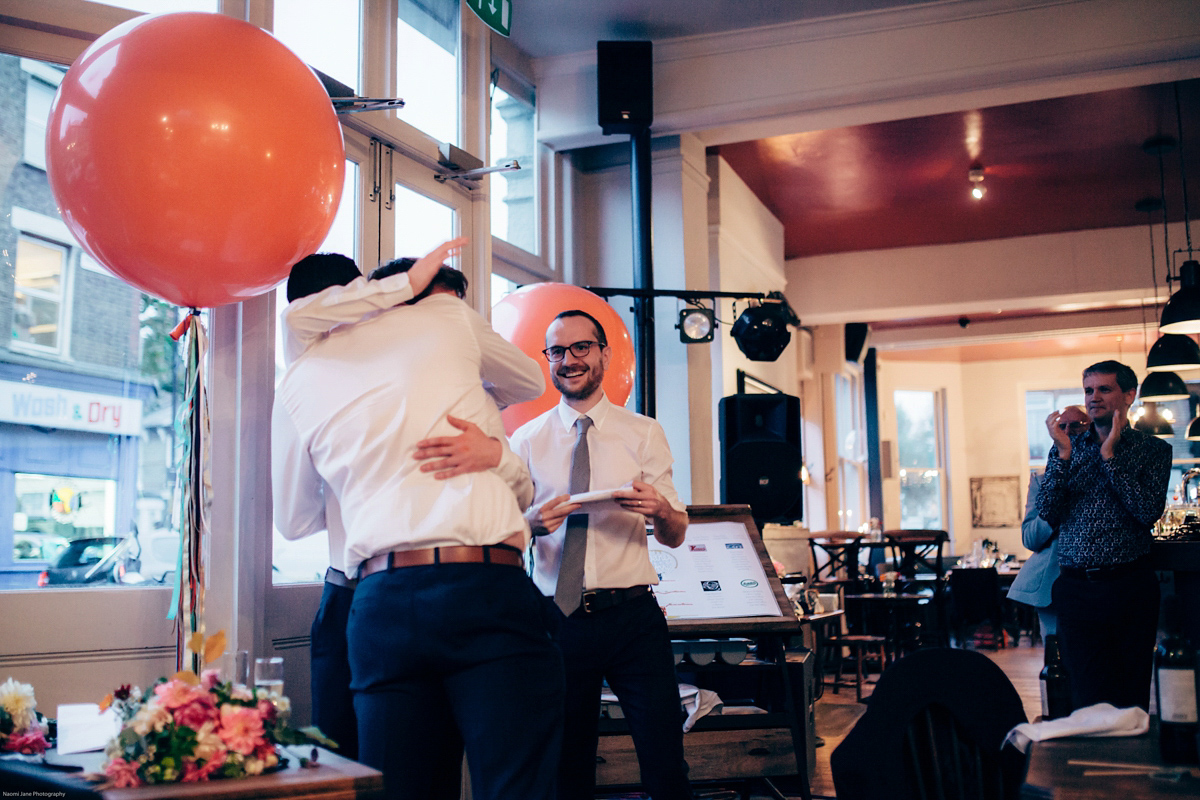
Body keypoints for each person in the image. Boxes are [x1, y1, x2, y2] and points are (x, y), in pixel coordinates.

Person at [272, 240, 563, 800]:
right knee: (515, 787)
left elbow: (292, 519)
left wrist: (351, 477)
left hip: (378, 599)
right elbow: (530, 379)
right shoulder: (443, 317)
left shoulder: (300, 378)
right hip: (482, 585)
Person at [509, 309, 691, 800]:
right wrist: (528, 524)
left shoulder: (644, 433)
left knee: (665, 762)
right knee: (567, 768)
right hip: (557, 619)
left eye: (581, 348)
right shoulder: (524, 441)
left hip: (632, 617)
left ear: (605, 354)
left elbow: (674, 533)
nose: (568, 361)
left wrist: (659, 509)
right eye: (556, 351)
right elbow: (500, 538)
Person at [1037, 361, 1171, 711]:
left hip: (1129, 586)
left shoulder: (1152, 450)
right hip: (1076, 589)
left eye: (1104, 389)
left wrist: (1110, 456)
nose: (1093, 397)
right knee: (1085, 694)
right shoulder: (1067, 447)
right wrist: (1062, 454)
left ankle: (1132, 765)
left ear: (1129, 395)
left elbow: (1146, 512)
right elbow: (1048, 513)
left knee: (1131, 694)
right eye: (1088, 390)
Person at [1007, 405, 1089, 638]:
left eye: (1076, 425)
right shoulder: (1041, 482)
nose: (1067, 432)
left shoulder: (1102, 472)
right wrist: (1053, 508)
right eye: (1061, 426)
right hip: (1053, 581)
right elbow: (1030, 538)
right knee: (1056, 657)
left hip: (1097, 581)